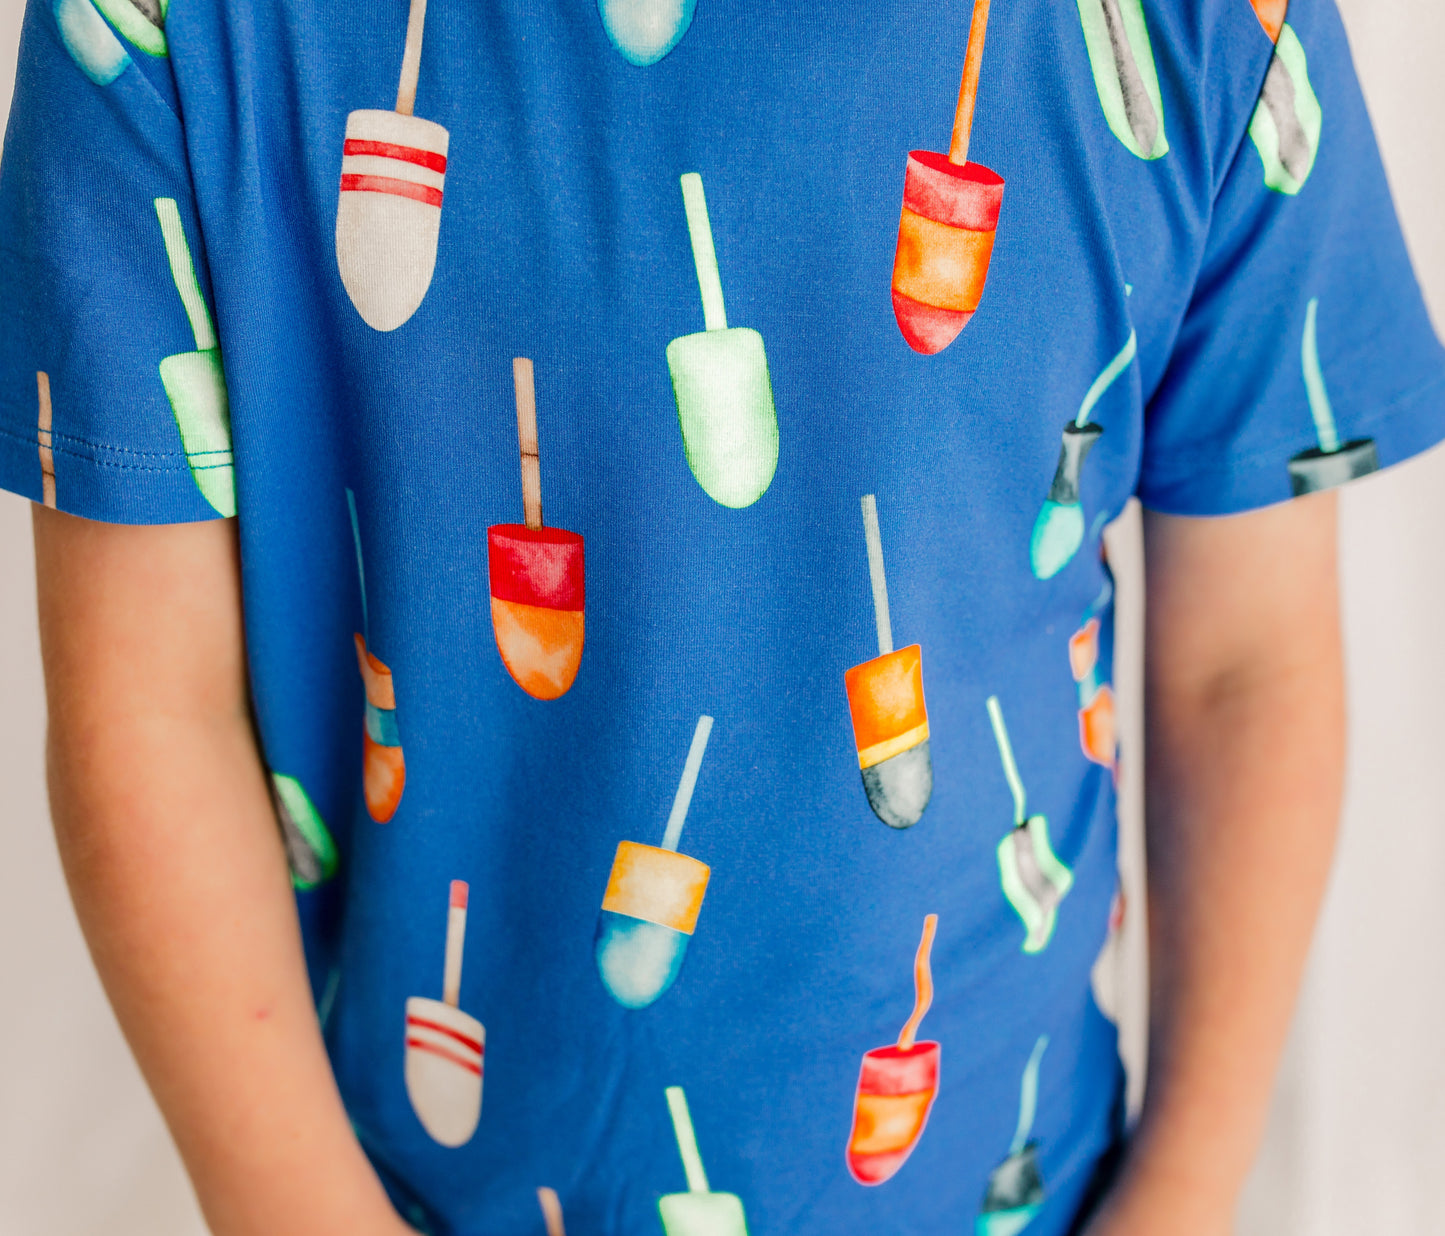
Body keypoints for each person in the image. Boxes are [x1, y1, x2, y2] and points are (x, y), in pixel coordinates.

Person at [2, 0, 1441, 1232]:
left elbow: (1239, 665)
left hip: (1023, 1187)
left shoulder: (1192, 28)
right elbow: (147, 706)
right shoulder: (168, 27)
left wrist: (1182, 1198)